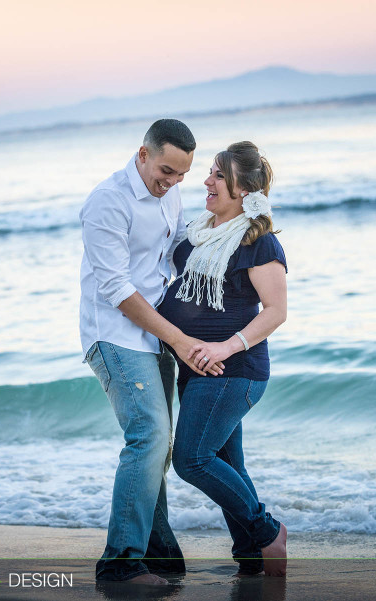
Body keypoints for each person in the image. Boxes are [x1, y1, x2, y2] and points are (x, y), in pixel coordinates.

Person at [79, 118, 222, 585]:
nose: (173, 182)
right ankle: (120, 563)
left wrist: (231, 236)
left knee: (157, 447)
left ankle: (158, 553)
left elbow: (179, 244)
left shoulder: (170, 191)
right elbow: (117, 289)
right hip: (115, 335)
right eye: (166, 171)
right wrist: (181, 340)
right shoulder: (108, 201)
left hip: (156, 330)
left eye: (182, 175)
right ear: (142, 155)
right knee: (150, 434)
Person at [158, 141, 289, 576]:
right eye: (210, 173)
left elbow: (275, 312)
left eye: (217, 175)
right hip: (195, 368)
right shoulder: (199, 230)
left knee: (192, 459)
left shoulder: (259, 242)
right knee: (229, 464)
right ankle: (250, 556)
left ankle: (267, 533)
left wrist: (224, 347)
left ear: (242, 188)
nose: (207, 181)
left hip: (234, 370)